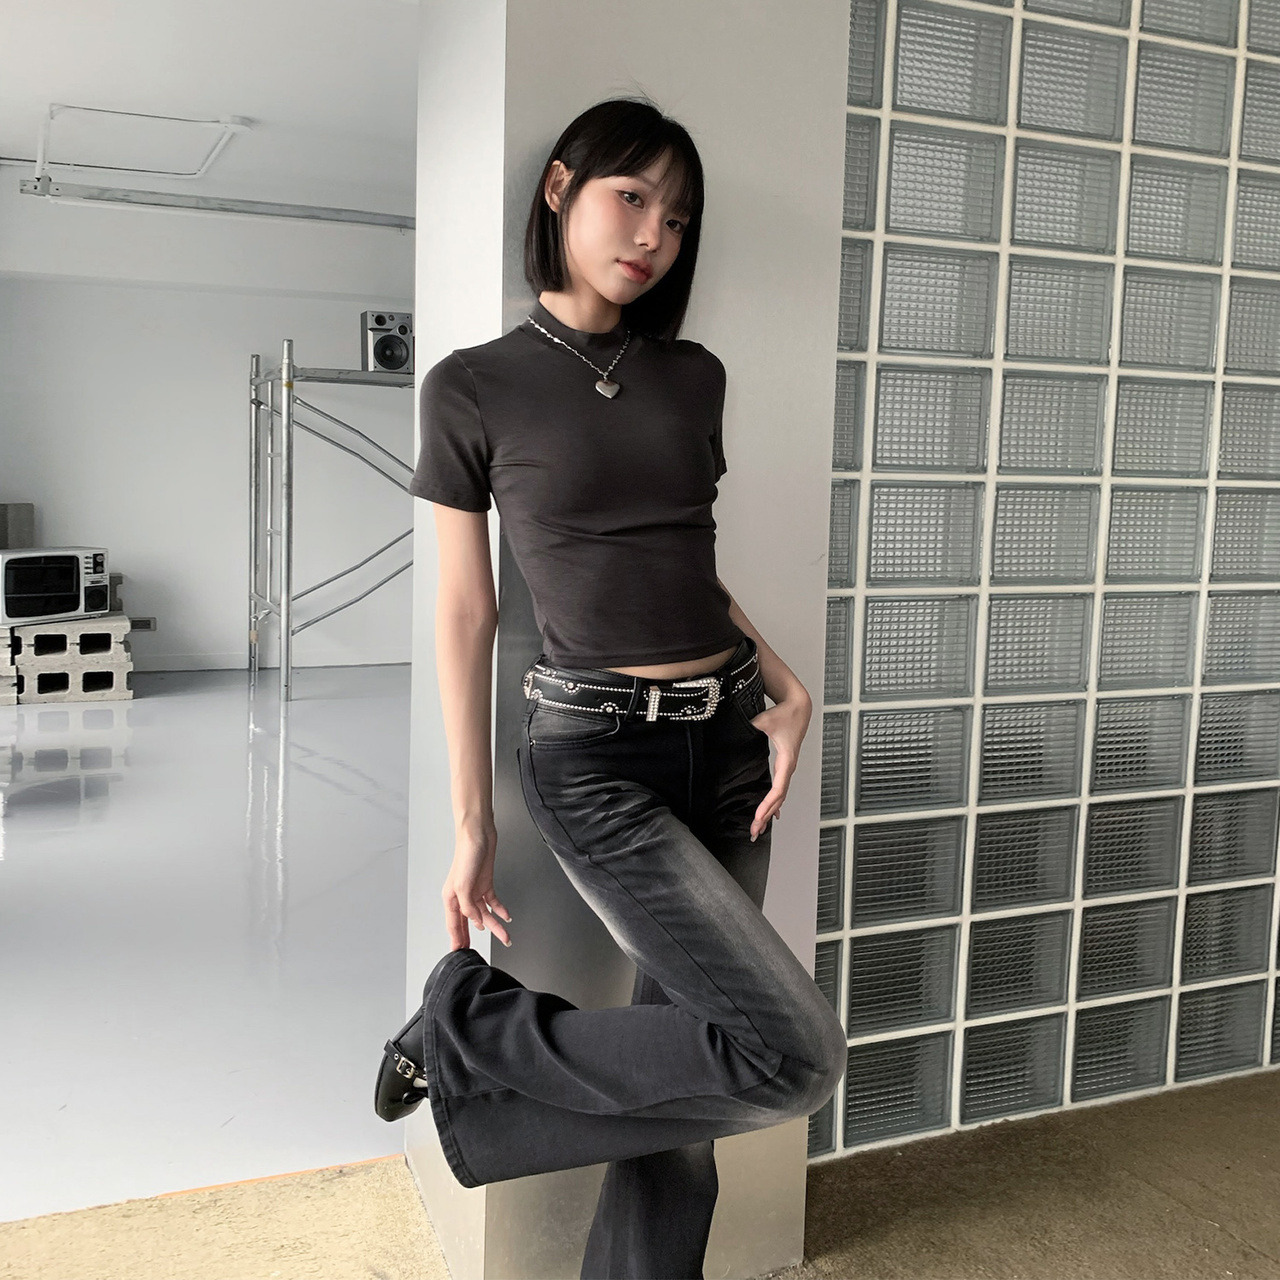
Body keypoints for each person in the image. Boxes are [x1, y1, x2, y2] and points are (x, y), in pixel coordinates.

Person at [374, 95, 847, 1280]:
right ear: (560, 189)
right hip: (593, 759)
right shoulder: (471, 386)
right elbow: (466, 610)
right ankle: (470, 1025)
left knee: (685, 1075)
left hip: (729, 741)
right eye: (630, 197)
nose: (652, 235)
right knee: (791, 1055)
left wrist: (783, 682)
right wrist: (471, 822)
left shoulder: (691, 376)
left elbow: (679, 560)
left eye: (676, 219)